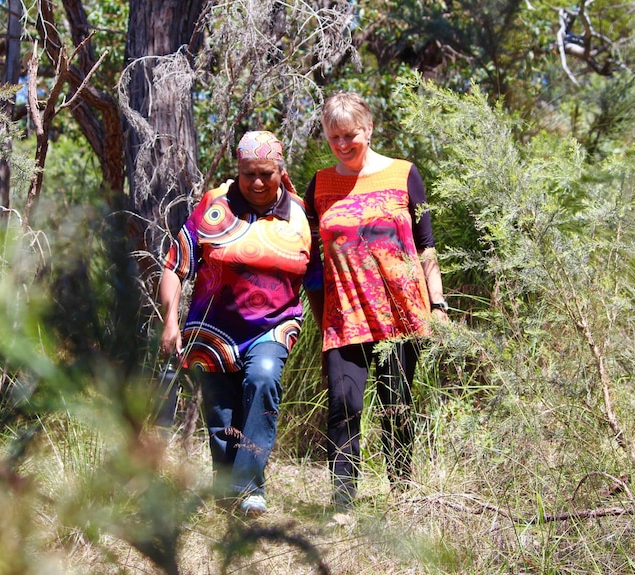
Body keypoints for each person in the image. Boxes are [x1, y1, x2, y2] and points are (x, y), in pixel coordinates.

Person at [158, 130, 313, 516]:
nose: (257, 182)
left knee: (262, 379)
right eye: (248, 174)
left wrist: (330, 328)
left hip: (273, 327)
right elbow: (176, 266)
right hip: (212, 330)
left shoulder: (299, 215)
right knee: (222, 416)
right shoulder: (215, 206)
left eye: (266, 173)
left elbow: (316, 277)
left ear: (282, 171)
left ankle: (249, 489)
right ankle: (228, 497)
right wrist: (170, 321)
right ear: (237, 171)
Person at [304, 92, 447, 508]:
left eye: (350, 135)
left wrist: (437, 305)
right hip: (344, 316)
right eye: (334, 138)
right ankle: (343, 505)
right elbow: (311, 257)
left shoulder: (404, 174)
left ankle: (404, 496)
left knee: (396, 405)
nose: (343, 145)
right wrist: (317, 315)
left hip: (402, 315)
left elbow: (426, 245)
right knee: (342, 406)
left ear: (367, 129)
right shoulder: (320, 184)